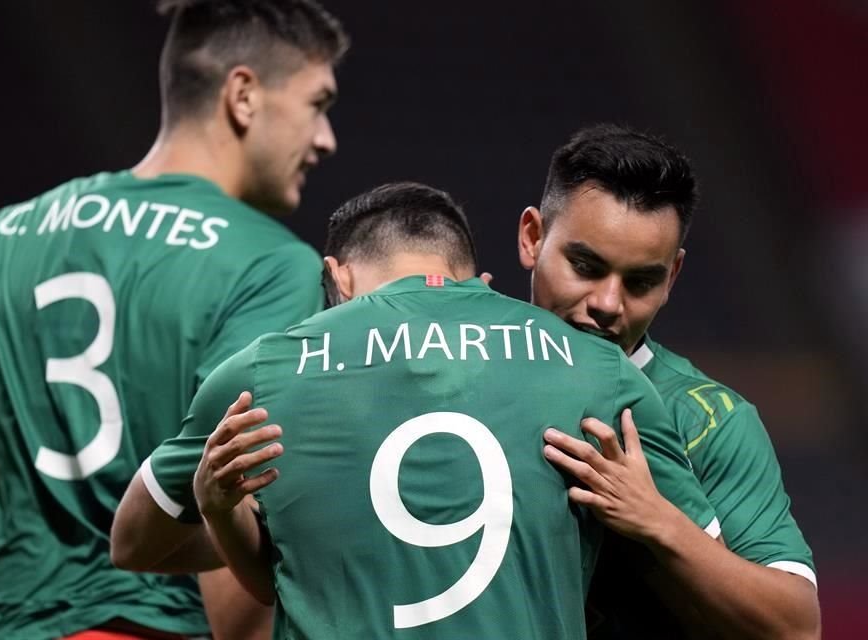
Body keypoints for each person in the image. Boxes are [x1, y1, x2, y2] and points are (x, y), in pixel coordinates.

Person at [0, 1, 348, 638]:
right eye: (319, 103)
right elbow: (241, 514)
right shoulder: (270, 266)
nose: (326, 139)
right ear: (244, 95)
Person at [117, 181, 720, 639]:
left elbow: (134, 545)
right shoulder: (599, 368)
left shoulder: (265, 371)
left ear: (338, 280)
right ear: (474, 281)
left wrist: (216, 508)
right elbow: (713, 582)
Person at [516, 123, 821, 638]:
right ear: (533, 238)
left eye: (640, 281)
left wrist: (656, 518)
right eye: (586, 266)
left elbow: (796, 627)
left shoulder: (711, 419)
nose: (608, 304)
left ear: (672, 277)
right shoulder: (457, 367)